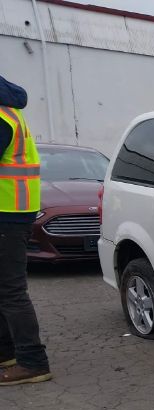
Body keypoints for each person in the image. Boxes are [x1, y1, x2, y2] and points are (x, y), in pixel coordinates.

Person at [0, 74, 51, 385]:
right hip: (10, 213)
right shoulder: (9, 112)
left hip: (8, 215)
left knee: (11, 291)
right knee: (4, 290)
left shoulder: (2, 117)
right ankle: (8, 353)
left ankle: (33, 361)